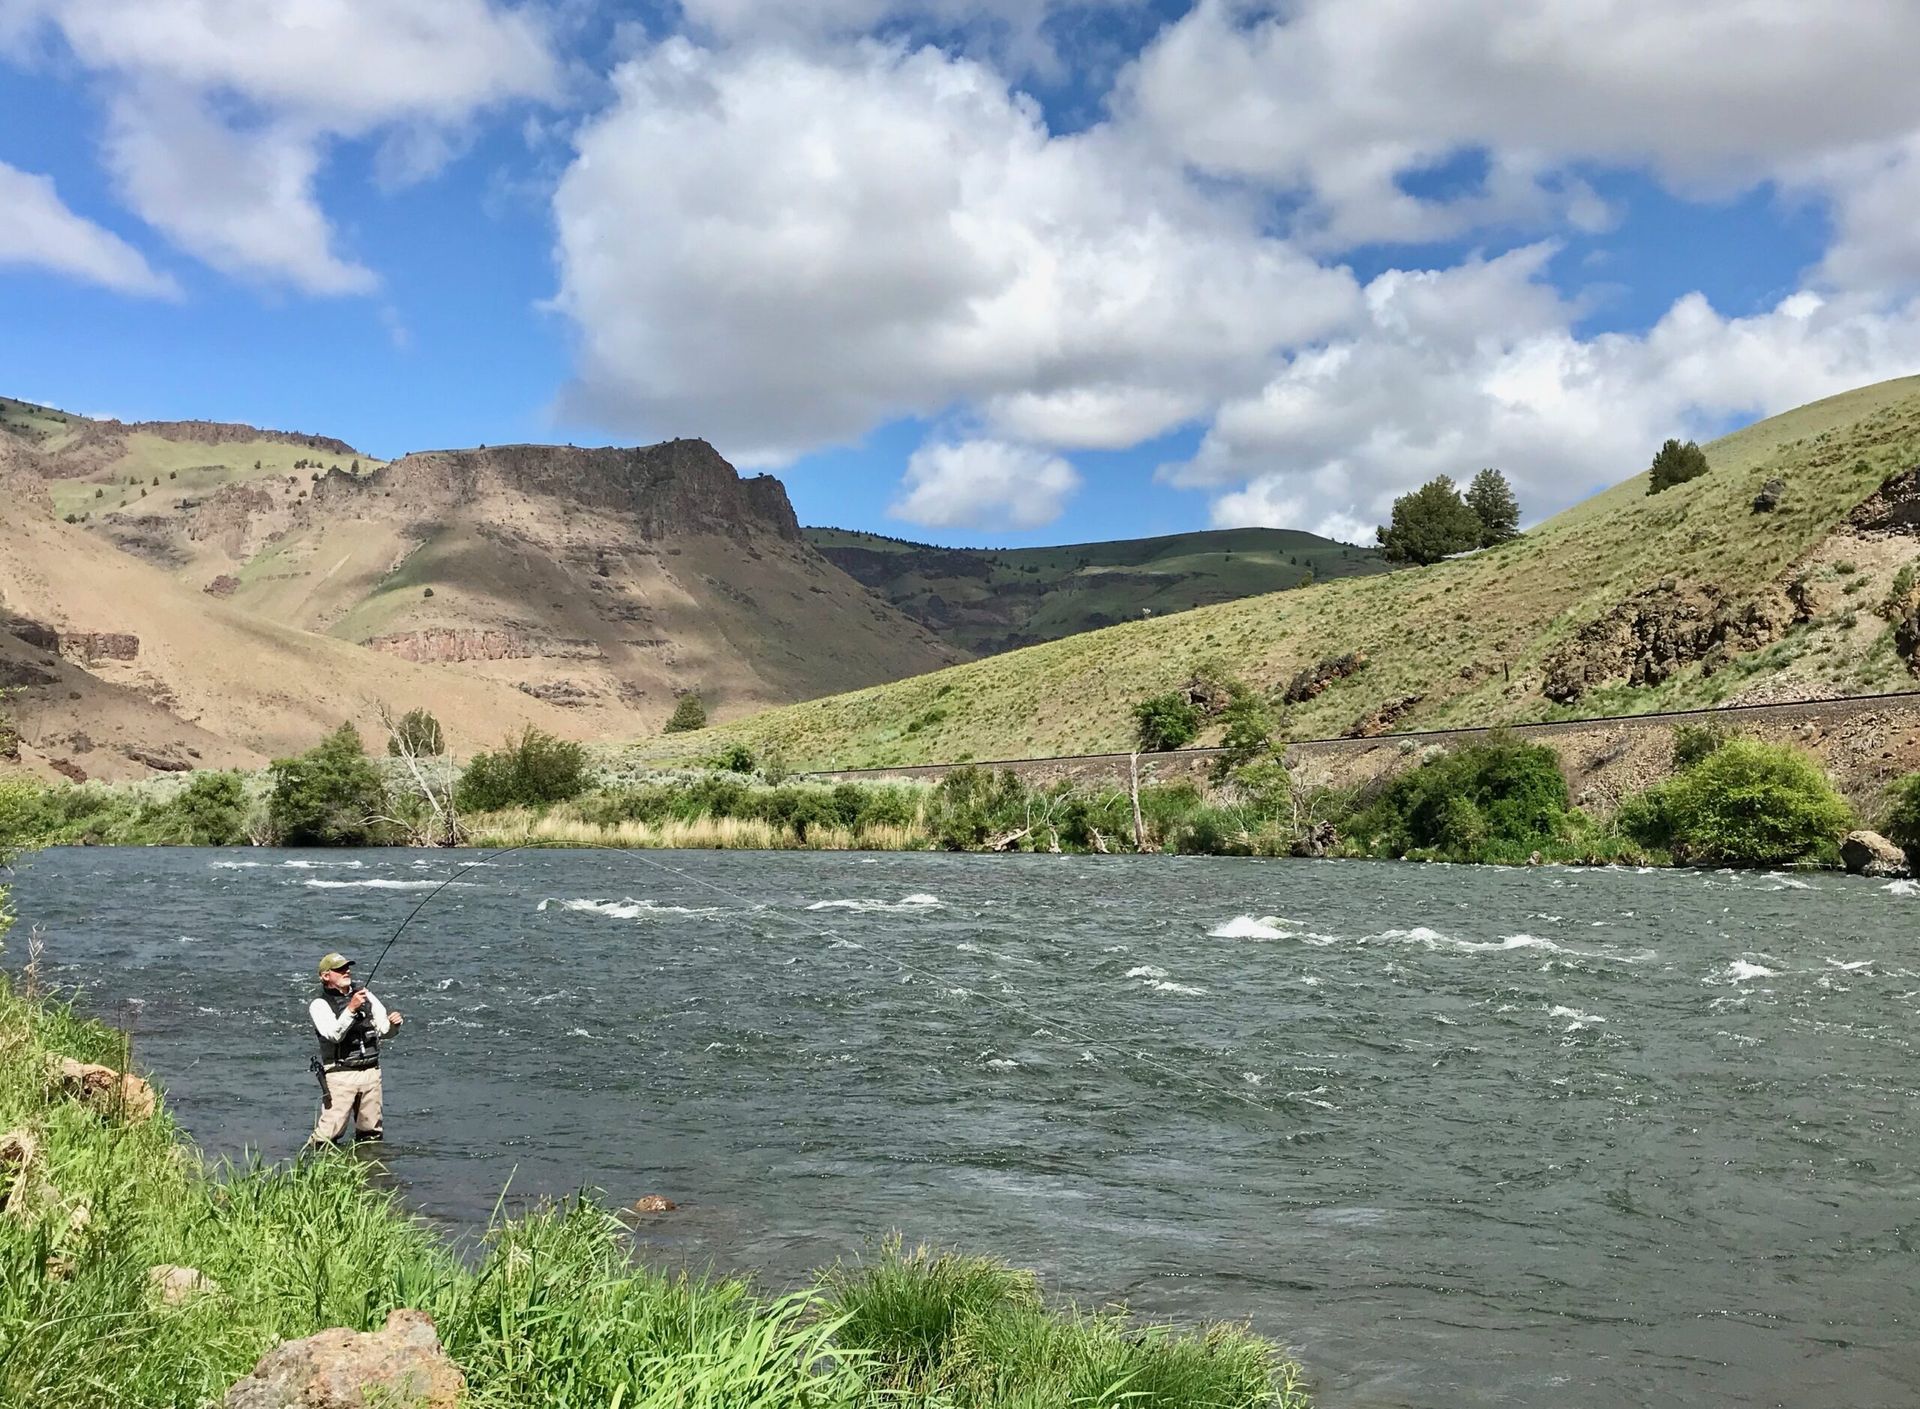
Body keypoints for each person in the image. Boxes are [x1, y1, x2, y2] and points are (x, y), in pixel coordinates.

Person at [306, 951, 403, 1148]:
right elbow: (333, 1034)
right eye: (340, 969)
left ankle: (369, 1173)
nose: (346, 971)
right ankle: (313, 1169)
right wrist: (351, 1009)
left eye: (347, 967)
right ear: (326, 976)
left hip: (371, 1073)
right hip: (341, 1075)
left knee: (371, 1133)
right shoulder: (319, 1004)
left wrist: (394, 1026)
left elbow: (384, 1030)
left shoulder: (365, 995)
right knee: (327, 1135)